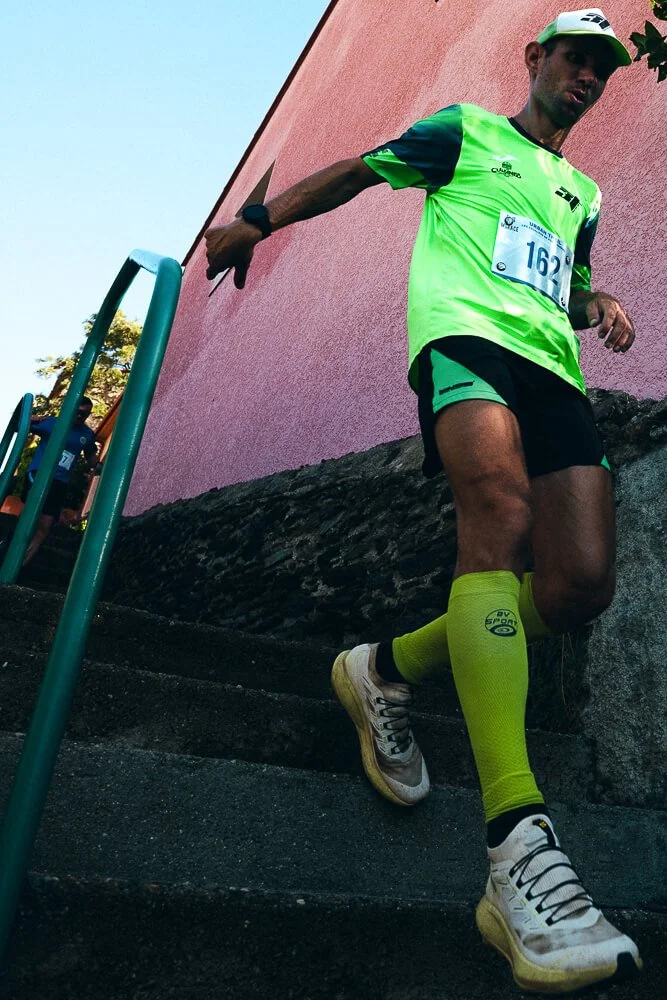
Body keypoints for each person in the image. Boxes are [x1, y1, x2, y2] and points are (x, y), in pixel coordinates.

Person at [204, 9, 642, 992]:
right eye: (575, 56)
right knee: (497, 515)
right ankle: (517, 849)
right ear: (536, 59)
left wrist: (596, 300)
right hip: (462, 343)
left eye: (603, 69)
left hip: (552, 368)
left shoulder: (584, 190)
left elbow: (559, 279)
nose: (587, 75)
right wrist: (256, 222)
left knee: (579, 585)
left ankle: (383, 669)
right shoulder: (460, 132)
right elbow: (357, 171)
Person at [20, 396, 98, 565]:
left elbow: (92, 459)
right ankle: (9, 555)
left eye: (84, 414)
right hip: (39, 474)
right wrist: (31, 418)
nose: (80, 416)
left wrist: (100, 468)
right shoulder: (51, 423)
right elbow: (20, 425)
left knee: (44, 527)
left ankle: (19, 567)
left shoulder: (87, 434)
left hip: (60, 483)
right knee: (29, 518)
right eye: (78, 412)